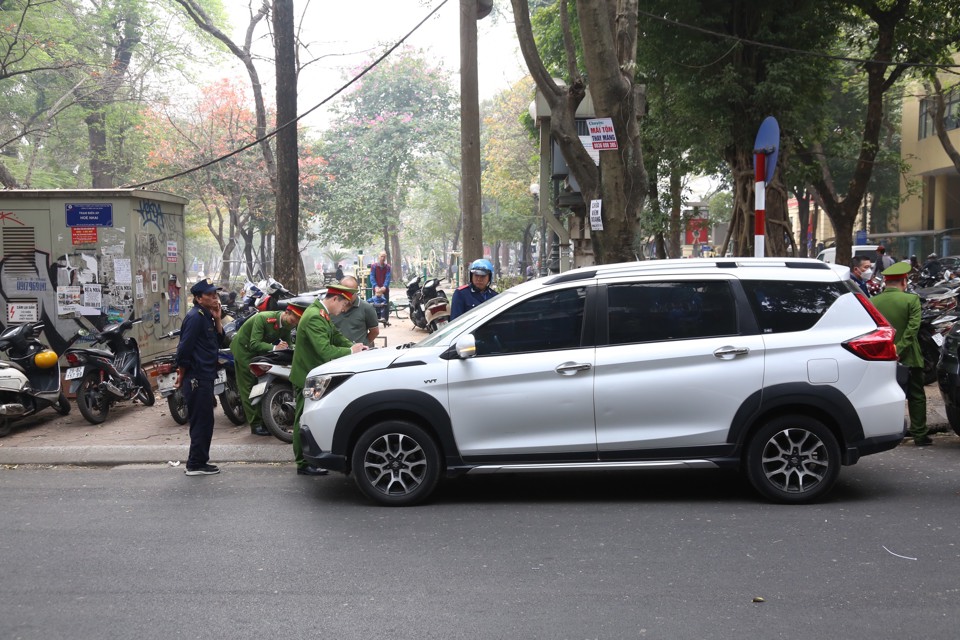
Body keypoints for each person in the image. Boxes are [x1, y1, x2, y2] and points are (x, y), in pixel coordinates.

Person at [289, 284, 367, 476]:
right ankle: (302, 463)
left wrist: (355, 347)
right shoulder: (315, 316)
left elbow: (337, 337)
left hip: (314, 376)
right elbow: (325, 351)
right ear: (334, 300)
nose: (344, 310)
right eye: (344, 305)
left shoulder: (321, 313)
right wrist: (350, 351)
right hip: (306, 376)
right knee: (302, 419)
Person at [870, 262, 930, 446]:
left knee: (879, 395)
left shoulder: (873, 302)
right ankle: (919, 434)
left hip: (880, 357)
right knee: (916, 395)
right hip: (909, 357)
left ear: (885, 282)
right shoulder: (911, 300)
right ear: (904, 281)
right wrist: (900, 348)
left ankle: (882, 433)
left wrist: (890, 349)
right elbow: (912, 329)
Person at [229, 300, 306, 436]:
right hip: (244, 350)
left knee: (262, 386)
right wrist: (275, 347)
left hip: (260, 352)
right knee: (249, 387)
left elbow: (287, 344)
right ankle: (255, 425)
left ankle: (265, 419)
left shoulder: (287, 324)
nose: (295, 324)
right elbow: (254, 343)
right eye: (294, 320)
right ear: (286, 313)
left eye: (297, 322)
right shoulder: (263, 318)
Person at [176, 278, 227, 475]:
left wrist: (217, 320)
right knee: (201, 421)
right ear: (198, 298)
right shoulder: (195, 318)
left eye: (216, 294)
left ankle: (200, 461)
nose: (215, 298)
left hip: (206, 375)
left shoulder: (207, 316)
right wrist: (181, 375)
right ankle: (195, 464)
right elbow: (183, 350)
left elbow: (217, 341)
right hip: (196, 377)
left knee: (206, 420)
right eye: (210, 295)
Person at [331, 275, 380, 347]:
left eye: (350, 293)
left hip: (359, 355)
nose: (347, 296)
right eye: (344, 292)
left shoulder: (366, 308)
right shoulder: (332, 308)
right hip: (338, 353)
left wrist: (363, 344)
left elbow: (375, 332)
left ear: (356, 291)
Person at [369, 251, 392, 321]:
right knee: (376, 304)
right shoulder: (374, 266)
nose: (383, 258)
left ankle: (385, 319)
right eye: (382, 256)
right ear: (379, 257)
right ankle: (376, 319)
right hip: (377, 290)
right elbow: (372, 276)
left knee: (385, 304)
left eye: (384, 256)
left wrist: (384, 286)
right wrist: (375, 286)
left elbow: (388, 277)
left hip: (384, 289)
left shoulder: (388, 267)